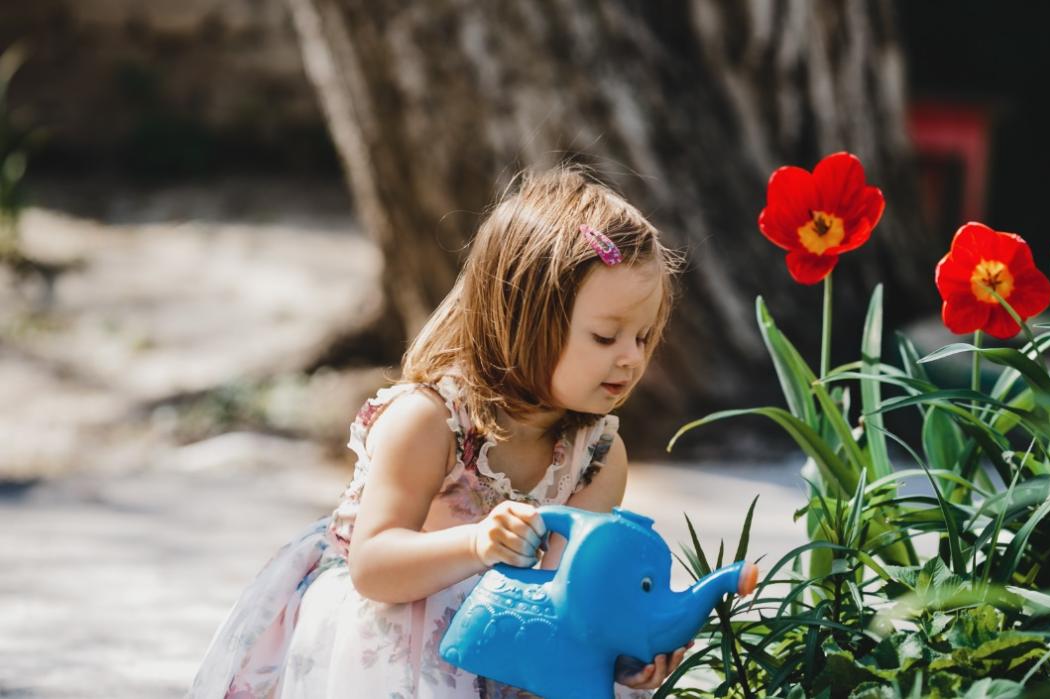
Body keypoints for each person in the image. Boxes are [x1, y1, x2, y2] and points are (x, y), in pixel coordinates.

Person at [188, 166, 688, 698]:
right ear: (524, 320)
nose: (632, 358)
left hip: (506, 639)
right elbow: (373, 567)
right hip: (399, 636)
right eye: (606, 336)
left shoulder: (598, 455)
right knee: (431, 613)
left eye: (644, 335)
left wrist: (624, 655)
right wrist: (477, 543)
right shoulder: (430, 422)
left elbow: (570, 599)